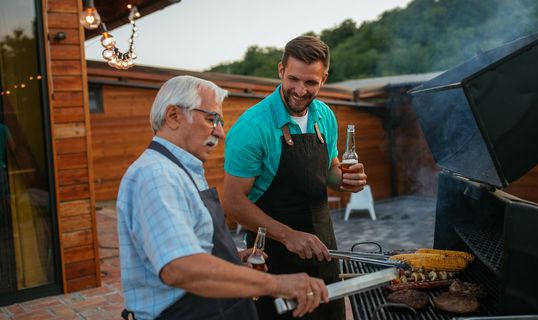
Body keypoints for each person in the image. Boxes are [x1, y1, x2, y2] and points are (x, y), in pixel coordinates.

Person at [117, 75, 328, 320]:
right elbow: (180, 268)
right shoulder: (157, 175)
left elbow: (185, 245)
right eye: (211, 119)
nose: (220, 132)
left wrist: (230, 258)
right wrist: (275, 284)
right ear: (173, 116)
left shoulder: (181, 170)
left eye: (220, 122)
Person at [223, 36, 368, 319]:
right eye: (294, 79)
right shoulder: (252, 127)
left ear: (324, 78)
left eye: (311, 83)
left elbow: (330, 170)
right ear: (280, 71)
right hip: (273, 257)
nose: (301, 91)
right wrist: (287, 236)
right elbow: (232, 202)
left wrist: (345, 179)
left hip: (324, 248)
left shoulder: (324, 115)